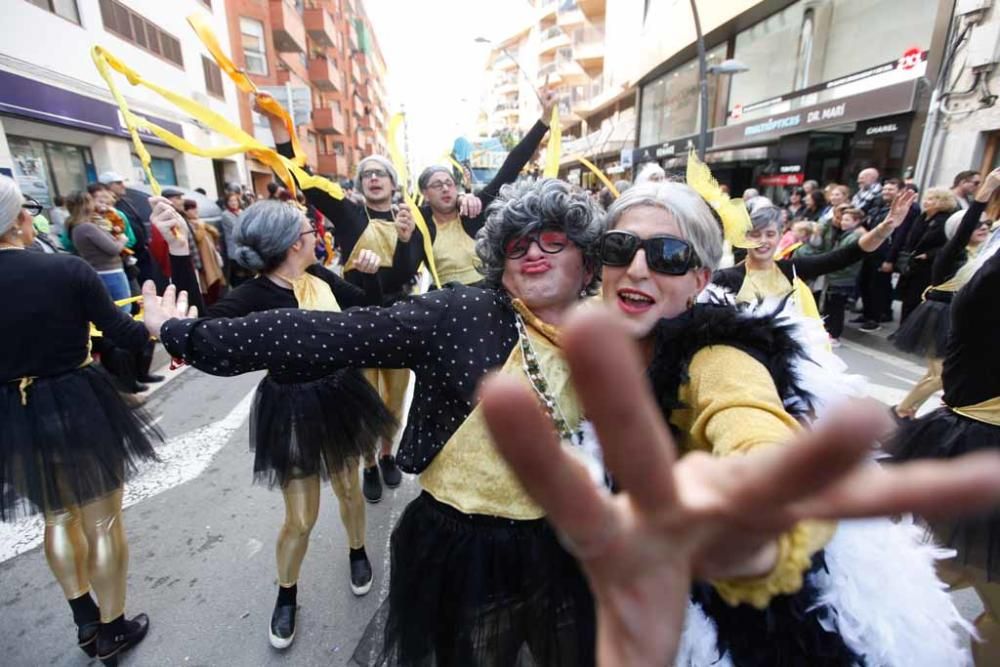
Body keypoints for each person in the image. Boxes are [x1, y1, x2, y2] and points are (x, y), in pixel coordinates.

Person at [140, 176, 1000, 667]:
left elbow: (734, 391)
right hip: (458, 542)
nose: (537, 250)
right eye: (519, 242)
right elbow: (318, 331)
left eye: (559, 239)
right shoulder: (456, 316)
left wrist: (761, 464)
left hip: (567, 549)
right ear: (500, 259)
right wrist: (181, 333)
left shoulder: (630, 324)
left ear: (588, 257)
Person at [583, 177, 977, 665]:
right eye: (619, 248)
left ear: (701, 280)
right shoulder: (598, 341)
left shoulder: (715, 356)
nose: (637, 268)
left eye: (666, 255)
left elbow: (748, 419)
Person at [150, 196, 393, 648]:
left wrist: (370, 274)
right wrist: (181, 257)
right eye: (307, 230)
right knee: (300, 518)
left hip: (342, 395)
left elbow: (366, 316)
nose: (314, 236)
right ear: (291, 243)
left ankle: (358, 551)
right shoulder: (252, 296)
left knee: (349, 490)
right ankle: (286, 594)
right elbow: (201, 335)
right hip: (292, 407)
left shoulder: (317, 276)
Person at [0, 176, 174, 665]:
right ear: (18, 219)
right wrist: (159, 322)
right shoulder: (66, 271)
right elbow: (125, 335)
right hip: (77, 397)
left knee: (56, 516)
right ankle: (112, 628)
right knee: (103, 521)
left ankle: (84, 619)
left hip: (11, 411)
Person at [256, 93, 422, 503]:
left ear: (393, 183)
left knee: (396, 397)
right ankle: (367, 461)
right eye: (367, 175)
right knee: (364, 395)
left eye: (381, 174)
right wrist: (280, 125)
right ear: (360, 185)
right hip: (356, 318)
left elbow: (405, 272)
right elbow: (302, 176)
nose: (374, 179)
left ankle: (387, 454)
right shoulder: (348, 214)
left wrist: (404, 240)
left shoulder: (408, 218)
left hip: (400, 316)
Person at [890, 193, 1000, 665]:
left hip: (973, 439)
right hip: (976, 442)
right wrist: (978, 203)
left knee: (940, 571)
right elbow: (951, 255)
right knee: (943, 575)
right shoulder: (988, 275)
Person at [414, 89, 555, 288]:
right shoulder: (419, 223)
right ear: (425, 194)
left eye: (449, 183)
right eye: (437, 185)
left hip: (487, 296)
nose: (445, 189)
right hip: (444, 301)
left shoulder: (473, 209)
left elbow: (511, 167)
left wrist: (545, 120)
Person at [890, 170, 1000, 422]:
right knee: (939, 375)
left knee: (935, 374)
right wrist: (986, 191)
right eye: (978, 225)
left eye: (987, 225)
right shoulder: (951, 254)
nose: (984, 228)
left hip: (963, 321)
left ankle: (907, 410)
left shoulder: (983, 255)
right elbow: (965, 228)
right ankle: (901, 411)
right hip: (937, 315)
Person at [895, 186, 958, 324]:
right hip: (912, 264)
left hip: (928, 267)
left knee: (917, 299)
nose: (926, 202)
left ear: (941, 202)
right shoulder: (922, 217)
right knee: (907, 299)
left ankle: (911, 330)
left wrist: (929, 255)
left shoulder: (945, 220)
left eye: (931, 199)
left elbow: (949, 244)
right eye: (926, 198)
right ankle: (903, 328)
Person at [98, 172, 158, 286]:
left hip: (141, 252)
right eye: (118, 183)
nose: (123, 186)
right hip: (127, 256)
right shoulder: (107, 209)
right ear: (107, 186)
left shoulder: (126, 201)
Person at [181, 199, 226, 304]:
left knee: (217, 282)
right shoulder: (189, 225)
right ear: (186, 211)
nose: (195, 211)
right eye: (191, 209)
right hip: (203, 260)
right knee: (208, 285)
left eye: (195, 208)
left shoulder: (200, 222)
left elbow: (216, 234)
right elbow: (197, 238)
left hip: (212, 257)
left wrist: (207, 227)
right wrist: (201, 227)